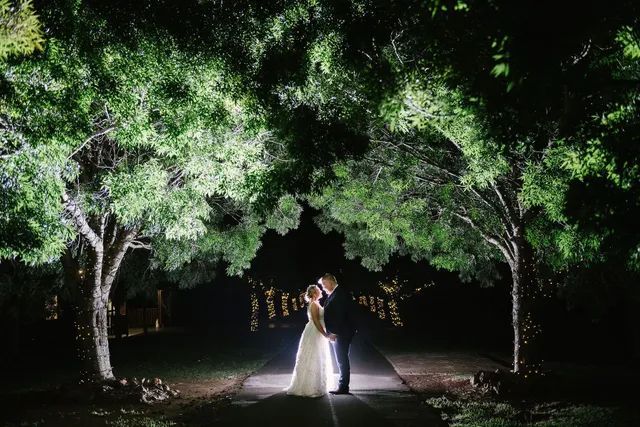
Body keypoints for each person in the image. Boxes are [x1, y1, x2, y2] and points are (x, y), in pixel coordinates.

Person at [285, 284, 334, 397]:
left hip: (316, 331)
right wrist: (325, 334)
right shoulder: (313, 305)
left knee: (318, 356)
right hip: (314, 332)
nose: (321, 291)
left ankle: (316, 384)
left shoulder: (316, 303)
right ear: (315, 293)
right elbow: (316, 321)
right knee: (314, 356)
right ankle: (310, 387)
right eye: (319, 290)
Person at [318, 273, 357, 394]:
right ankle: (343, 385)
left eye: (324, 284)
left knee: (341, 359)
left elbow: (340, 316)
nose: (323, 287)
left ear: (330, 281)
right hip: (339, 332)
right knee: (341, 359)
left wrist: (334, 332)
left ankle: (343, 387)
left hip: (341, 333)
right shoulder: (335, 294)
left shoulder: (339, 294)